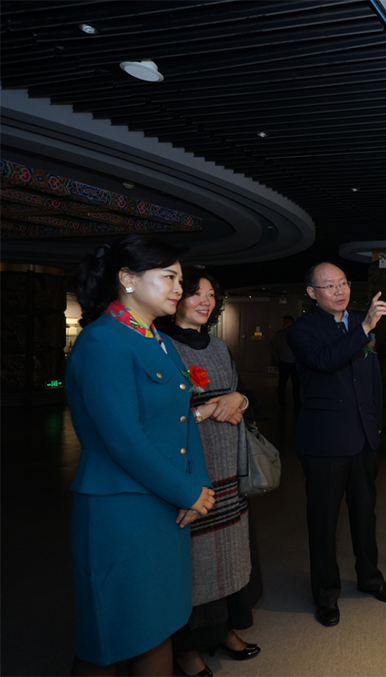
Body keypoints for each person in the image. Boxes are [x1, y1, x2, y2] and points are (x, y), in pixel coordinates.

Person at [65, 236, 215, 677]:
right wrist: (187, 491)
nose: (179, 289)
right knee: (112, 635)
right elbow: (124, 439)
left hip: (166, 504)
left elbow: (184, 420)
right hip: (122, 509)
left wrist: (198, 485)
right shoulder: (103, 341)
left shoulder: (157, 340)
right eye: (169, 277)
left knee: (158, 622)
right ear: (127, 279)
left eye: (180, 279)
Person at [156, 269, 263, 677]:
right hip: (190, 466)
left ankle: (223, 630)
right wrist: (208, 409)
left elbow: (242, 394)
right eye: (195, 293)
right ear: (177, 298)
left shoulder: (219, 346)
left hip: (228, 464)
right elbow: (159, 413)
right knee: (195, 558)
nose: (205, 301)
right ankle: (185, 648)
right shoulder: (162, 345)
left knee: (229, 550)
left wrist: (240, 399)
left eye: (211, 295)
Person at [285, 262, 386, 626]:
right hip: (325, 441)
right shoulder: (302, 329)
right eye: (329, 285)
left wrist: (377, 424)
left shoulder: (359, 322)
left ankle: (370, 578)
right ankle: (325, 594)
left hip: (363, 437)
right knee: (324, 521)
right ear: (312, 293)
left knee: (366, 513)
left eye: (344, 283)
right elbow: (324, 361)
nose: (339, 291)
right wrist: (365, 328)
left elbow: (372, 377)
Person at [268, 315, 301, 409]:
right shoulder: (280, 334)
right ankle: (281, 402)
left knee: (296, 384)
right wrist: (275, 357)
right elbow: (271, 344)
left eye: (287, 322)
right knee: (282, 384)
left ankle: (296, 401)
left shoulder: (297, 334)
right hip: (283, 362)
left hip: (295, 363)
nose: (284, 324)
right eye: (284, 322)